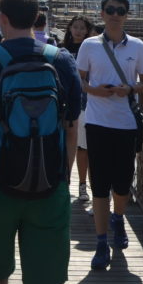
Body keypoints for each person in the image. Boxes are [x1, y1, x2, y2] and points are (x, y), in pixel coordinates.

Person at [0, 0, 82, 284]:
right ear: (36, 17)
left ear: (1, 17)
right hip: (50, 186)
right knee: (46, 279)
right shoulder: (62, 61)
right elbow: (71, 129)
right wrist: (63, 178)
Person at [76, 0, 143, 270]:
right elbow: (78, 79)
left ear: (127, 15)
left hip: (126, 123)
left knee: (122, 183)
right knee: (99, 186)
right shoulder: (89, 45)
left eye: (120, 10)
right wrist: (94, 90)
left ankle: (118, 218)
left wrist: (129, 89)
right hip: (97, 122)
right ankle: (100, 242)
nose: (115, 14)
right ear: (102, 13)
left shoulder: (139, 47)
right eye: (110, 9)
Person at [62, 15, 95, 203]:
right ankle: (63, 182)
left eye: (83, 28)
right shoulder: (61, 51)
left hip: (85, 104)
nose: (79, 31)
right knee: (61, 145)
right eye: (75, 27)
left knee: (83, 147)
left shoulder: (92, 51)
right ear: (69, 28)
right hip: (64, 105)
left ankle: (83, 185)